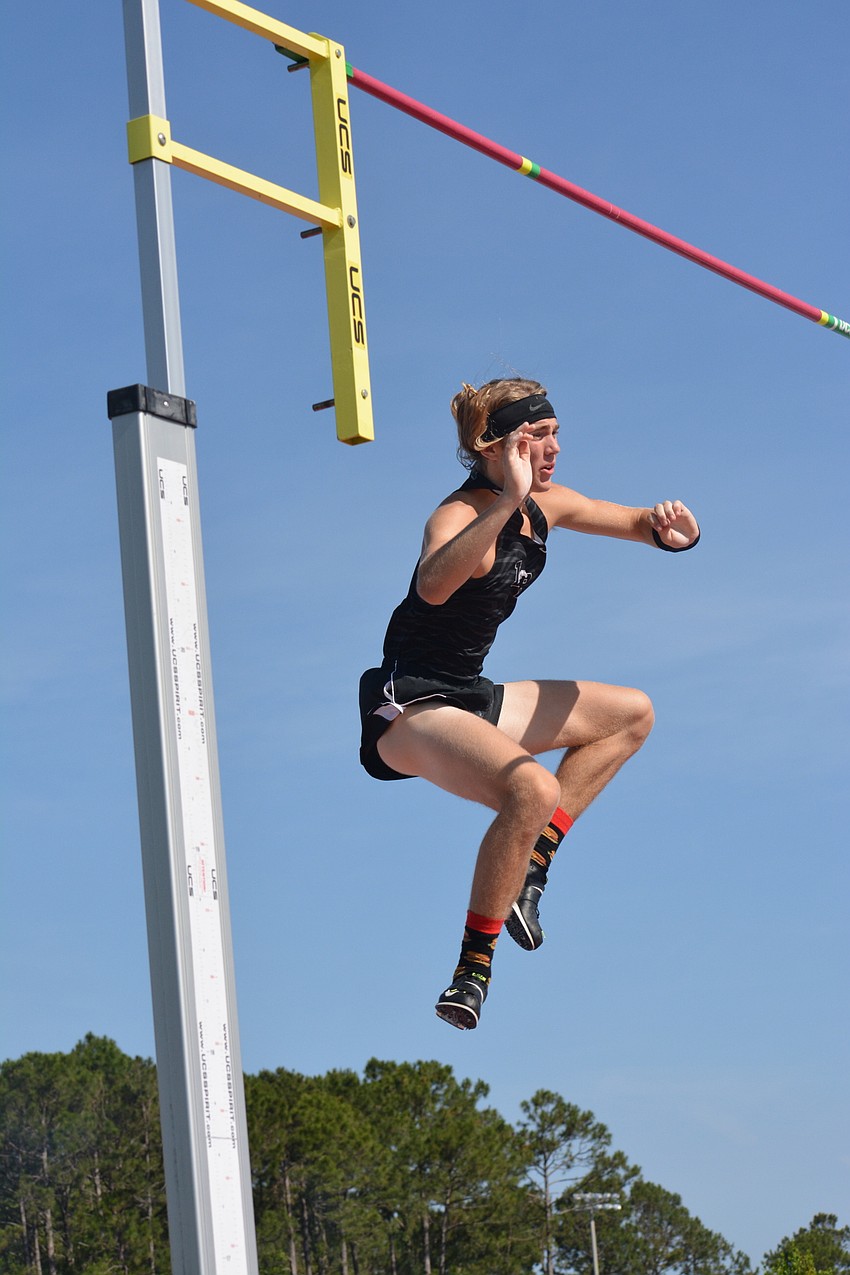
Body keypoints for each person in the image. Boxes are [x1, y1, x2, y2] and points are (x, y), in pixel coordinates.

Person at [358, 377, 700, 1030]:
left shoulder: (547, 504)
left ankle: (531, 869)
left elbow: (628, 519)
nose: (555, 448)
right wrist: (507, 499)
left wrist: (671, 531)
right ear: (495, 449)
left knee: (632, 713)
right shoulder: (459, 514)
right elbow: (432, 586)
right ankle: (471, 970)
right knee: (532, 791)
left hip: (470, 696)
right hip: (410, 710)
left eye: (555, 433)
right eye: (537, 437)